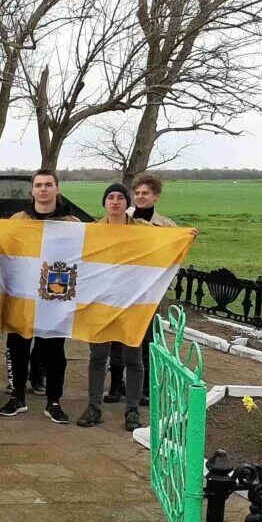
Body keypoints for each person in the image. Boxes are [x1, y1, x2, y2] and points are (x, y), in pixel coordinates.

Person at [0, 169, 79, 423]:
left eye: (48, 185)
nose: (43, 189)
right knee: (18, 348)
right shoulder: (18, 219)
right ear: (32, 190)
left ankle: (54, 401)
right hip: (22, 294)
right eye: (38, 185)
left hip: (54, 296)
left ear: (57, 188)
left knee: (54, 352)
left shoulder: (72, 223)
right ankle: (17, 397)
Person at [81, 184, 152, 430]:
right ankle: (94, 407)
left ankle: (132, 410)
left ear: (127, 202)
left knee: (133, 357)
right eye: (110, 197)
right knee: (98, 357)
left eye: (120, 197)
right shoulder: (93, 231)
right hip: (101, 302)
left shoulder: (143, 230)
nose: (114, 202)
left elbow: (168, 241)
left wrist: (186, 235)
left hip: (132, 303)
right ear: (104, 203)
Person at [105, 173, 178, 407]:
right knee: (116, 338)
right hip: (119, 288)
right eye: (136, 193)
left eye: (145, 193)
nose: (140, 197)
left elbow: (174, 256)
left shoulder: (166, 226)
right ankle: (116, 384)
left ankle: (144, 387)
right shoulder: (120, 219)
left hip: (147, 292)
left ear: (155, 196)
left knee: (144, 339)